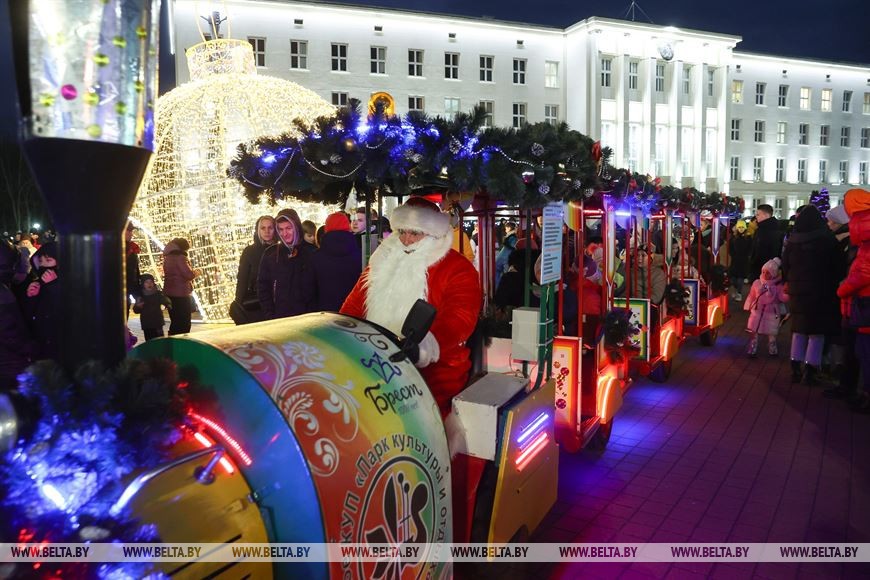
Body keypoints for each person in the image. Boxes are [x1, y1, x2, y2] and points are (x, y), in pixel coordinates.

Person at [341, 197, 481, 417]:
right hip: (375, 361)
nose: (406, 240)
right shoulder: (382, 261)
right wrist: (340, 330)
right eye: (402, 232)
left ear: (433, 234)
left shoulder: (457, 268)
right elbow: (354, 304)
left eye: (415, 233)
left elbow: (460, 318)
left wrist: (426, 345)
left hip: (434, 368)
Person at [782, 205, 843, 384]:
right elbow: (837, 266)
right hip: (822, 291)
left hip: (797, 292)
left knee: (798, 329)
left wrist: (790, 282)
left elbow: (785, 266)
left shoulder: (793, 241)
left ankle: (795, 368)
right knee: (817, 333)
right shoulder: (828, 240)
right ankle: (811, 370)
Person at [836, 188, 870, 413]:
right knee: (862, 350)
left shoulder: (866, 240)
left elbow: (864, 272)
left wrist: (843, 288)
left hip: (865, 303)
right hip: (862, 302)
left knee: (864, 351)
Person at [824, 203, 860, 401]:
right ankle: (843, 379)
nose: (828, 224)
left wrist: (842, 287)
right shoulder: (842, 239)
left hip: (849, 299)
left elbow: (854, 273)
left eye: (831, 221)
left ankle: (845, 380)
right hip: (844, 298)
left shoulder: (848, 241)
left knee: (847, 341)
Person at [258, 208, 316, 319]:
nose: (284, 233)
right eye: (280, 229)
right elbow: (263, 288)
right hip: (281, 319)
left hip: (308, 319)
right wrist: (270, 315)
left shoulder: (311, 253)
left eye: (289, 228)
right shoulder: (271, 254)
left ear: (296, 228)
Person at [311, 211, 361, 311]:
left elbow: (310, 290)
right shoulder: (359, 254)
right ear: (347, 227)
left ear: (327, 228)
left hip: (325, 313)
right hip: (352, 312)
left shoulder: (315, 257)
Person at [231, 215, 275, 325]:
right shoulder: (250, 252)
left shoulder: (280, 250)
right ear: (258, 230)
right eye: (263, 228)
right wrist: (239, 303)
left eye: (270, 227)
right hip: (256, 305)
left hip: (277, 303)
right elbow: (242, 279)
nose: (267, 231)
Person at [744, 258, 788, 357]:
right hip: (757, 311)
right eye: (763, 271)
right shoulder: (757, 283)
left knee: (771, 331)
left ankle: (772, 345)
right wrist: (748, 304)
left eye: (768, 273)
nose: (764, 274)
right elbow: (752, 295)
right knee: (754, 329)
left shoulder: (777, 287)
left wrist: (786, 293)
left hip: (771, 312)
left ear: (773, 274)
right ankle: (753, 345)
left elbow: (782, 297)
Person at [24, 242, 61, 360]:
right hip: (40, 349)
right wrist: (31, 297)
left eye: (48, 260)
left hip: (61, 349)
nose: (43, 265)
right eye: (40, 261)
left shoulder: (72, 283)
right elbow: (29, 318)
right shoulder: (37, 284)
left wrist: (54, 286)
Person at [162, 237, 201, 335]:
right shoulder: (180, 258)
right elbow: (188, 275)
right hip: (181, 294)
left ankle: (172, 340)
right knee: (184, 322)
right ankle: (182, 340)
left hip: (169, 293)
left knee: (175, 320)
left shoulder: (168, 257)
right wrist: (197, 272)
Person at [748, 204, 783, 281]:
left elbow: (763, 251)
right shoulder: (760, 229)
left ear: (766, 215)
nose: (756, 217)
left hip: (765, 271)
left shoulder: (770, 231)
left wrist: (753, 262)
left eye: (758, 214)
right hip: (760, 269)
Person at [133, 274, 172, 341]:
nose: (149, 284)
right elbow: (136, 310)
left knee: (159, 340)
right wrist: (138, 306)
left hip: (157, 322)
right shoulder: (141, 296)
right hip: (147, 323)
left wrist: (167, 304)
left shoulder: (158, 293)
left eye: (151, 282)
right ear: (142, 284)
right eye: (146, 282)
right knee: (149, 340)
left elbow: (165, 300)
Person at [728, 220, 753, 302]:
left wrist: (747, 256)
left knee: (740, 278)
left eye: (742, 227)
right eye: (739, 227)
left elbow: (750, 248)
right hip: (735, 260)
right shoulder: (733, 238)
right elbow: (730, 248)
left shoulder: (748, 238)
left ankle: (739, 293)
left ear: (745, 228)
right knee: (733, 278)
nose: (741, 229)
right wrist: (733, 255)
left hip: (744, 260)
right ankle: (736, 290)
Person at [125, 222, 142, 319]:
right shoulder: (114, 248)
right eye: (129, 231)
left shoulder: (131, 248)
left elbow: (134, 273)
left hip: (126, 291)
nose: (131, 234)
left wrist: (137, 293)